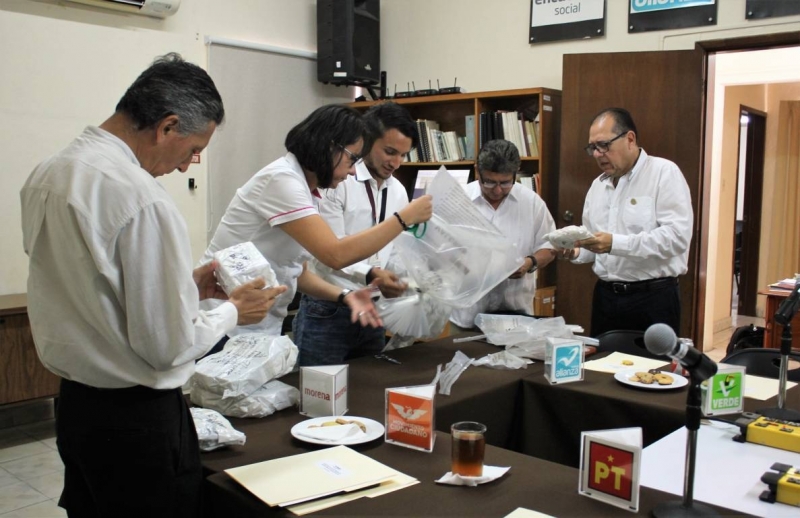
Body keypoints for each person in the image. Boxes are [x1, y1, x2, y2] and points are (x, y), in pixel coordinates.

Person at [20, 53, 283, 517]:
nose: (189, 166)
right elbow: (166, 346)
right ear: (167, 126)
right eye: (193, 149)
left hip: (78, 405)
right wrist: (233, 310)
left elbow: (92, 285)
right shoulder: (141, 200)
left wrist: (186, 285)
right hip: (134, 418)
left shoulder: (49, 173)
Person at [202, 104, 433, 348]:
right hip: (223, 320)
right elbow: (335, 254)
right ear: (329, 147)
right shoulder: (282, 180)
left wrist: (346, 295)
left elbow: (297, 273)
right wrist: (402, 219)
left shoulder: (307, 189)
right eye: (352, 159)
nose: (353, 170)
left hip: (257, 323)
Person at [292, 102, 418, 365]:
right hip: (327, 308)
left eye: (403, 155)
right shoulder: (337, 179)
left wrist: (398, 280)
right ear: (367, 141)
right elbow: (330, 252)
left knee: (367, 390)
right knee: (318, 395)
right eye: (389, 151)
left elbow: (395, 248)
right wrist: (373, 274)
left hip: (372, 307)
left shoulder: (398, 191)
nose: (395, 163)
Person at [563, 107, 693, 337]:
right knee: (601, 369)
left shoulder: (664, 173)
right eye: (592, 147)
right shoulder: (598, 186)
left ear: (630, 139)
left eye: (604, 145)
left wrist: (615, 243)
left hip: (653, 298)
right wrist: (575, 251)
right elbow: (594, 244)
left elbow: (676, 238)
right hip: (606, 297)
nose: (597, 154)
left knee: (653, 371)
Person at [449, 139, 557, 329]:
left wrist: (529, 263)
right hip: (466, 316)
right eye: (489, 182)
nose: (498, 190)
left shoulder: (531, 203)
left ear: (516, 173)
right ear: (477, 171)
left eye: (506, 183)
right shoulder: (459, 200)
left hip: (516, 316)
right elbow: (439, 249)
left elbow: (549, 246)